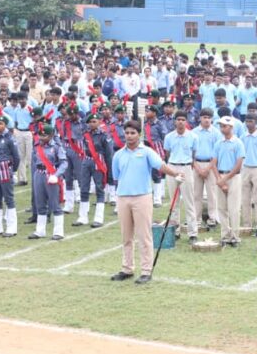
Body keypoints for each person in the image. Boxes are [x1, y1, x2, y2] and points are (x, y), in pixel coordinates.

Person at [110, 120, 183, 285]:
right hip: (123, 197)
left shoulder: (147, 152)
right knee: (126, 236)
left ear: (139, 134)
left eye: (132, 133)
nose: (129, 136)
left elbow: (161, 166)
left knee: (144, 235)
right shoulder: (118, 155)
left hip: (142, 197)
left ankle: (146, 270)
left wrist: (175, 174)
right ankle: (127, 268)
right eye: (126, 133)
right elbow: (116, 177)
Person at [162, 110, 199, 241]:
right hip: (172, 166)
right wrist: (173, 167)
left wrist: (187, 165)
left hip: (186, 167)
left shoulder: (193, 137)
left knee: (189, 202)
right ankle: (175, 230)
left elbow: (193, 154)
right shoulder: (169, 137)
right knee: (174, 201)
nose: (180, 122)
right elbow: (167, 153)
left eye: (183, 120)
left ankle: (192, 233)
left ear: (186, 121)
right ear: (174, 121)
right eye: (178, 119)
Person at [29, 124, 68, 240]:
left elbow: (64, 162)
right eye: (40, 134)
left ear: (51, 135)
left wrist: (56, 175)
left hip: (51, 175)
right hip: (39, 175)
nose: (41, 137)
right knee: (40, 203)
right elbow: (34, 161)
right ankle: (40, 230)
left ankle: (58, 231)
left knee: (54, 204)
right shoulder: (36, 146)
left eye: (44, 135)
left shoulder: (56, 147)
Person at [76, 113, 113, 228]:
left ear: (99, 122)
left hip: (99, 161)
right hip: (86, 161)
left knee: (99, 189)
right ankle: (82, 217)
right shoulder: (85, 134)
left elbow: (108, 153)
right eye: (90, 122)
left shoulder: (104, 135)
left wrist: (108, 168)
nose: (92, 124)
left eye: (94, 121)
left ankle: (98, 218)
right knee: (84, 187)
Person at [214, 115, 246, 247]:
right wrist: (218, 179)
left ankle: (235, 236)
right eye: (221, 126)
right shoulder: (218, 143)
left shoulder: (238, 143)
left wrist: (223, 180)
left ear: (231, 127)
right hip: (220, 175)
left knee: (233, 208)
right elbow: (213, 163)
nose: (222, 128)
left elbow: (238, 164)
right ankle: (225, 235)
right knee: (221, 208)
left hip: (233, 177)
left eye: (224, 126)